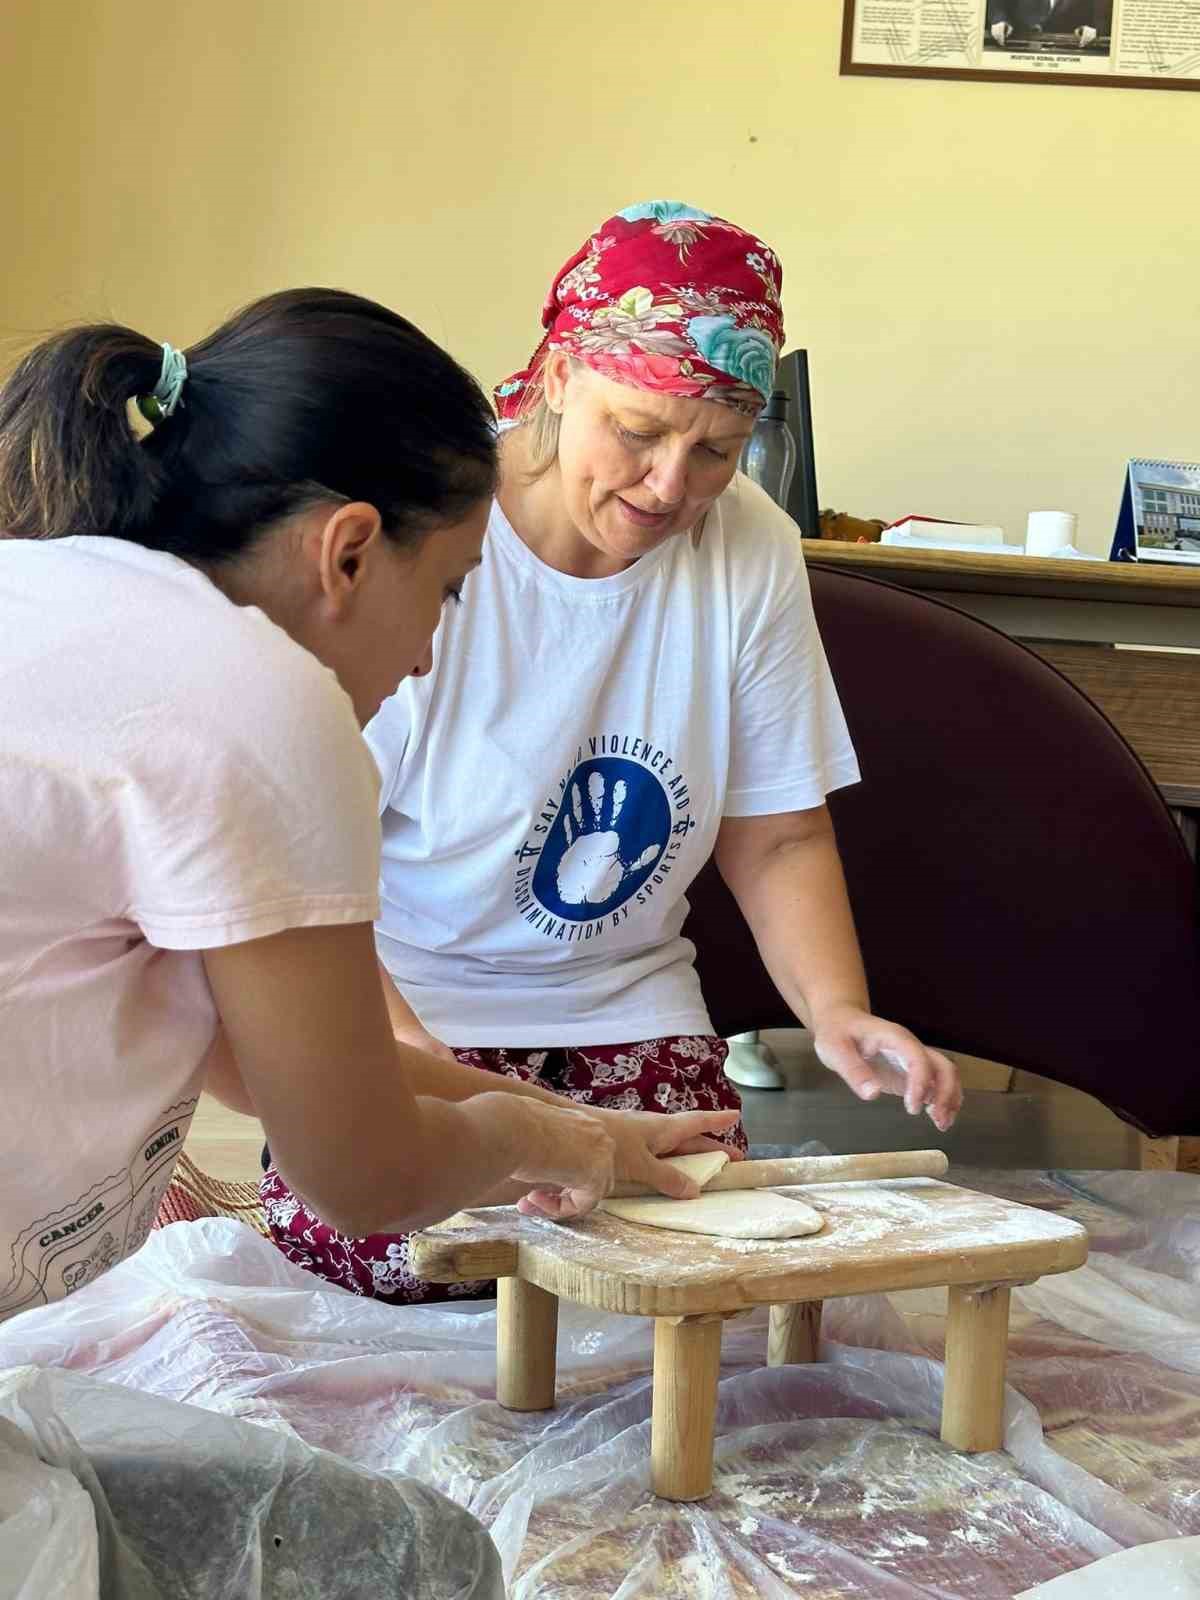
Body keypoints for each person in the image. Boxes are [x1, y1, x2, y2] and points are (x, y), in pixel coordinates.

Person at [261, 204, 963, 1304]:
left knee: (692, 1253)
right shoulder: (428, 530)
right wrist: (437, 1098)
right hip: (416, 1004)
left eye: (717, 451)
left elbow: (777, 834)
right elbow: (313, 876)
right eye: (636, 431)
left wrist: (836, 1011)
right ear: (554, 379)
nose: (671, 485)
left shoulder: (749, 552)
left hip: (620, 1006)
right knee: (419, 1253)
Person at [0, 288, 742, 1327]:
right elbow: (360, 1172)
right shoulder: (261, 699)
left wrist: (593, 1131)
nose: (431, 648)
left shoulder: (47, 586)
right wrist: (548, 1144)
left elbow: (256, 1063)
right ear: (346, 550)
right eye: (446, 588)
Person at [987, 0, 1101, 48]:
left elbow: (1093, 19)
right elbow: (998, 6)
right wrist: (999, 20)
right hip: (1017, 47)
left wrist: (1089, 29)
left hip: (1064, 52)